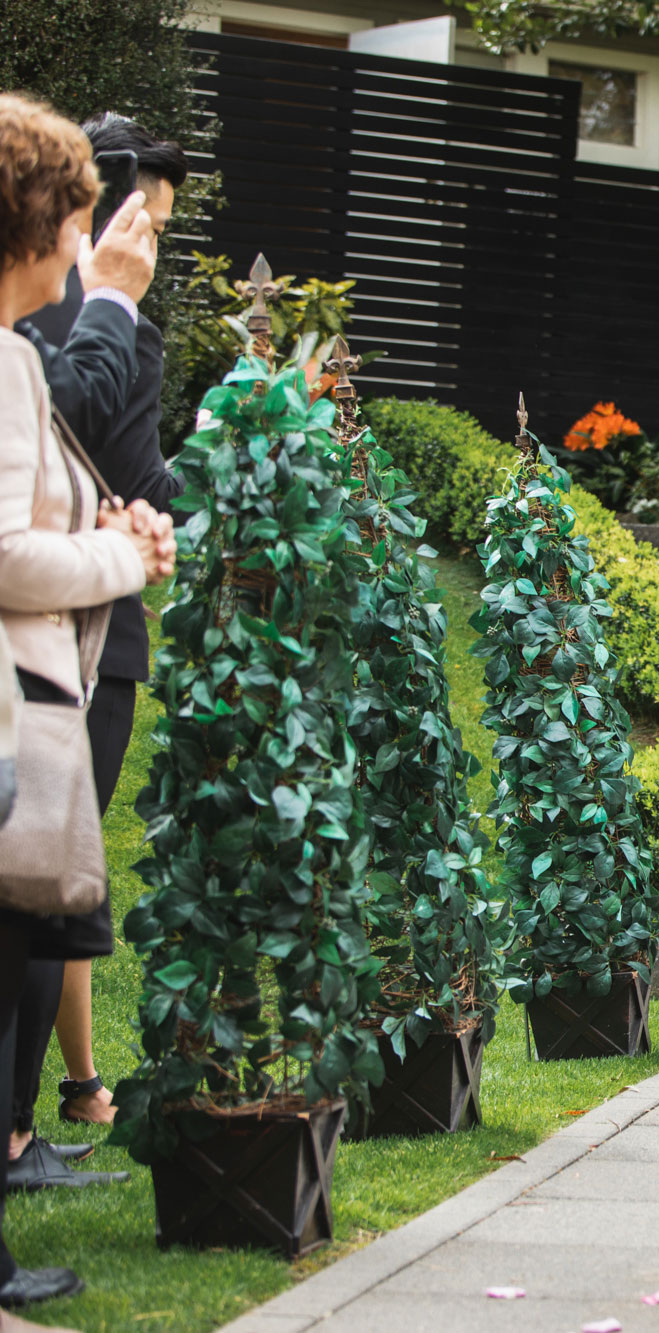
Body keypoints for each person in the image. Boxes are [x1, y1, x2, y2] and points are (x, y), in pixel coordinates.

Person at [0, 89, 174, 1327]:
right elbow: (8, 557)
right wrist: (129, 559)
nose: (82, 245)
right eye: (70, 220)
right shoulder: (14, 357)